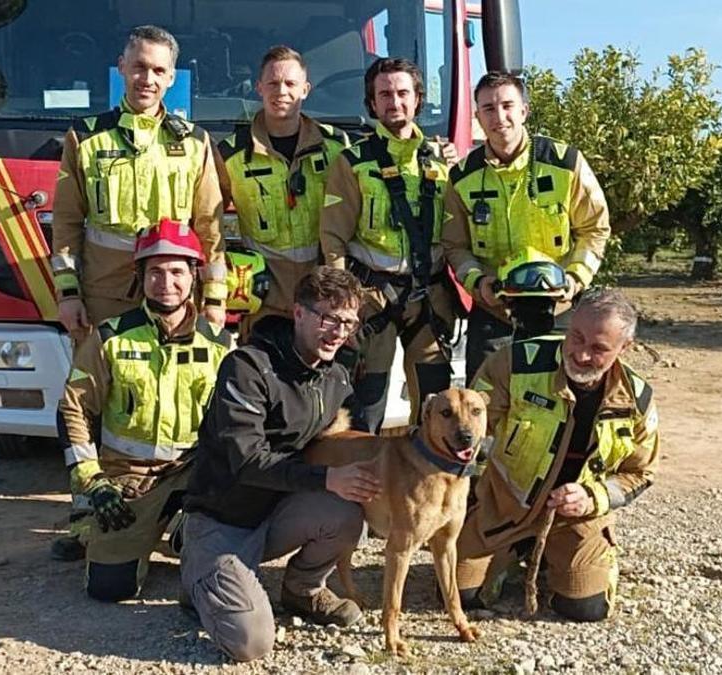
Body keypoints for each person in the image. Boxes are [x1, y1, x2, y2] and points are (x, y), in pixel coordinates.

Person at [180, 267, 378, 662]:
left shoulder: (336, 376)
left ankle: (301, 590)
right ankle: (198, 579)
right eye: (328, 318)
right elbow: (246, 460)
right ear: (299, 313)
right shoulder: (248, 367)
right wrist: (326, 477)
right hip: (223, 518)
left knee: (346, 515)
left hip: (277, 512)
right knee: (250, 643)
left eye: (348, 322)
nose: (338, 332)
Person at [455, 288, 659, 622]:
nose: (580, 355)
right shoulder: (513, 364)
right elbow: (468, 434)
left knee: (585, 609)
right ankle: (514, 549)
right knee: (459, 595)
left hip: (576, 517)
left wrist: (592, 497)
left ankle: (563, 555)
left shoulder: (638, 400)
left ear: (625, 348)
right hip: (504, 508)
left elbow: (641, 473)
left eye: (598, 349)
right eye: (576, 338)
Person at [57, 218, 233, 601]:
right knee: (108, 588)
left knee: (220, 545)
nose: (166, 283)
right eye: (154, 271)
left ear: (193, 277)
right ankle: (121, 528)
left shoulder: (221, 344)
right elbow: (73, 410)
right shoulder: (109, 338)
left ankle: (186, 531)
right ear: (139, 275)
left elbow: (239, 423)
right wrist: (94, 482)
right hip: (129, 480)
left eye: (176, 271)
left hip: (194, 476)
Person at [49, 25, 228, 338]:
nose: (148, 80)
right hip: (105, 295)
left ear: (172, 77)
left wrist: (214, 297)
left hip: (173, 294)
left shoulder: (195, 142)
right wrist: (68, 294)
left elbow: (209, 229)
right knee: (100, 382)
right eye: (139, 68)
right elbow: (66, 224)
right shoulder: (85, 138)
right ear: (122, 67)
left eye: (159, 70)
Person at [442, 71, 611, 381]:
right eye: (489, 109)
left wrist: (575, 279)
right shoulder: (462, 177)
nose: (500, 117)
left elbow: (595, 228)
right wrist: (478, 283)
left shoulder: (566, 163)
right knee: (487, 407)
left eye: (508, 105)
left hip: (558, 311)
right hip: (495, 312)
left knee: (559, 404)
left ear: (524, 111)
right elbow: (454, 245)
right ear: (477, 115)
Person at [320, 57, 454, 433]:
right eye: (384, 95)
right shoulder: (352, 162)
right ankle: (358, 487)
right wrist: (342, 302)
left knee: (435, 405)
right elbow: (333, 237)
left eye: (402, 93)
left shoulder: (441, 162)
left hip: (429, 300)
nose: (394, 102)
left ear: (417, 100)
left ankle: (424, 486)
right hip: (372, 299)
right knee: (367, 405)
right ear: (372, 104)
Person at [216, 45, 350, 332]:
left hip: (322, 291)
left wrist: (438, 151)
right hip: (263, 293)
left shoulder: (338, 148)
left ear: (305, 89)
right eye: (273, 84)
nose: (281, 92)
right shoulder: (230, 154)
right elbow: (207, 221)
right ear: (259, 88)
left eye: (290, 84)